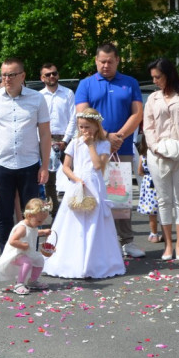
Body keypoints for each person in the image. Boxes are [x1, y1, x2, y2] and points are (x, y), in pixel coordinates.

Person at [73, 44, 144, 258]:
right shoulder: (86, 84)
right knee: (93, 192)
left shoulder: (130, 83)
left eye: (110, 61)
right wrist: (105, 136)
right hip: (92, 147)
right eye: (102, 61)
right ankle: (97, 240)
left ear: (118, 60)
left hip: (120, 147)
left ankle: (126, 241)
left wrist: (118, 136)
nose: (105, 65)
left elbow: (137, 113)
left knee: (119, 194)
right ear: (96, 61)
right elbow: (82, 114)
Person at [44, 111, 125, 280]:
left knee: (94, 219)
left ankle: (94, 261)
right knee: (74, 218)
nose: (83, 130)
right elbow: (66, 166)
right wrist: (75, 178)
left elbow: (97, 165)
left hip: (94, 184)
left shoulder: (103, 144)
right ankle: (70, 260)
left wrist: (90, 146)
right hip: (77, 183)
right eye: (81, 126)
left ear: (96, 127)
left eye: (87, 126)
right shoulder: (74, 142)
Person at [0, 58, 52, 248]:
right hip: (2, 165)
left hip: (29, 164)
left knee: (32, 214)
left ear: (22, 76)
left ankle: (32, 254)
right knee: (4, 215)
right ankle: (7, 256)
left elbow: (45, 134)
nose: (7, 79)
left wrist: (45, 166)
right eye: (4, 75)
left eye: (11, 75)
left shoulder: (37, 98)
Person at [143, 58, 179, 261]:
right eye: (153, 78)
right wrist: (157, 147)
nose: (156, 81)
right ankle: (167, 243)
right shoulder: (152, 99)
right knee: (163, 199)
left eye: (158, 76)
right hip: (157, 154)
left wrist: (177, 147)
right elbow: (147, 126)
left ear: (169, 75)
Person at [0, 197, 51, 295]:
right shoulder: (22, 228)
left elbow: (32, 233)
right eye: (39, 221)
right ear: (29, 216)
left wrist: (43, 232)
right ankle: (19, 283)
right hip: (16, 254)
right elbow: (12, 241)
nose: (41, 223)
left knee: (39, 260)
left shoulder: (32, 226)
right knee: (27, 262)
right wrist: (22, 245)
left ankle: (33, 281)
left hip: (27, 252)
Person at [39, 63, 76, 210]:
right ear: (42, 78)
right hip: (46, 140)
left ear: (58, 75)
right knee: (49, 179)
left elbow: (73, 118)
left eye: (54, 73)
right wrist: (43, 141)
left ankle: (77, 207)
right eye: (47, 74)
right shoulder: (39, 96)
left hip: (66, 140)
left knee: (73, 175)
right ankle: (54, 211)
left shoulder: (68, 93)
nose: (52, 76)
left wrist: (65, 140)